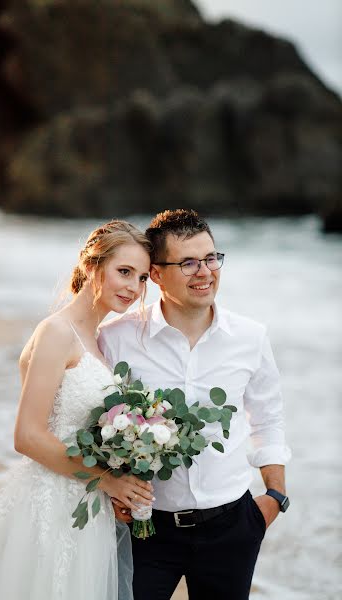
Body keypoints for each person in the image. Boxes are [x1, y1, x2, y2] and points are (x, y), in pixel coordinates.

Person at [0, 220, 154, 600]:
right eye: (124, 271)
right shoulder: (58, 332)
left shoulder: (101, 341)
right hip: (49, 505)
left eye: (141, 278)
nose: (133, 287)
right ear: (92, 266)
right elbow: (27, 435)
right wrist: (106, 480)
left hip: (88, 507)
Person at [98, 209, 291, 600]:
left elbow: (267, 418)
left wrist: (274, 499)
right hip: (145, 530)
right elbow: (97, 420)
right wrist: (113, 488)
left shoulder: (250, 337)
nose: (205, 272)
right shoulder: (116, 338)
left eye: (211, 258)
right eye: (187, 262)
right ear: (155, 274)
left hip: (232, 528)